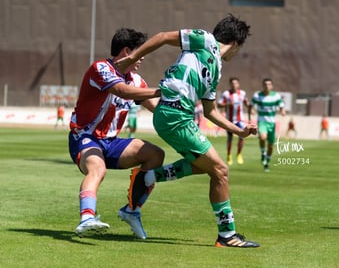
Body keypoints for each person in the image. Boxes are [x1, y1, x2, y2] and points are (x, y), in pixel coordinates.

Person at [115, 14, 260, 248]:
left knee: (208, 167)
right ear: (235, 43)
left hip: (177, 115)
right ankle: (227, 235)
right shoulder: (205, 39)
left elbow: (211, 112)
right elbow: (162, 37)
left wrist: (239, 130)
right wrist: (132, 57)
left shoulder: (216, 69)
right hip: (175, 114)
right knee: (221, 171)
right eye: (238, 49)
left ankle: (150, 177)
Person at [68, 27, 164, 239]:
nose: (143, 58)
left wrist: (180, 105)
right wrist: (164, 89)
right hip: (85, 136)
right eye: (141, 53)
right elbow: (122, 91)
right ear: (127, 51)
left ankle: (132, 210)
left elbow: (157, 108)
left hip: (111, 142)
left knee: (155, 155)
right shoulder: (101, 68)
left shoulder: (137, 80)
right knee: (98, 168)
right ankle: (87, 217)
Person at [248, 78, 286, 172]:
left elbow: (281, 106)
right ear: (263, 86)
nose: (267, 86)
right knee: (262, 137)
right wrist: (251, 112)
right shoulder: (257, 96)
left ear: (272, 86)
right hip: (262, 121)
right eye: (265, 84)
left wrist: (282, 111)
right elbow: (250, 105)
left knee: (270, 145)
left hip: (272, 123)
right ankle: (262, 153)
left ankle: (267, 161)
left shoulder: (276, 96)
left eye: (269, 84)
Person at [218, 77, 250, 165]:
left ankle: (239, 153)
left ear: (238, 84)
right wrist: (228, 104)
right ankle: (229, 155)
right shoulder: (226, 94)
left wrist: (249, 106)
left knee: (242, 137)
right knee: (230, 138)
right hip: (230, 120)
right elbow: (219, 105)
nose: (234, 85)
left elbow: (246, 102)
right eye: (232, 83)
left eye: (236, 83)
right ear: (230, 84)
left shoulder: (242, 93)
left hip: (240, 120)